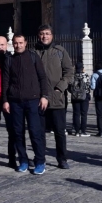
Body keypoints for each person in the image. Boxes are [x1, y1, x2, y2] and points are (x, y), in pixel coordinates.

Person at [2, 34, 50, 175]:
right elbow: (6, 81)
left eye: (20, 42)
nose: (18, 45)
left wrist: (44, 96)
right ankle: (23, 160)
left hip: (33, 100)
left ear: (26, 43)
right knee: (18, 133)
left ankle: (40, 161)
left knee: (36, 132)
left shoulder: (34, 57)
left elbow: (42, 77)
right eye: (16, 43)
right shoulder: (10, 60)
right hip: (15, 101)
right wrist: (5, 100)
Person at [34, 25, 72, 169]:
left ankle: (62, 158)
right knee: (39, 132)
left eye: (47, 34)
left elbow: (69, 72)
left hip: (57, 99)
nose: (45, 36)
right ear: (39, 35)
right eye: (42, 33)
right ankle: (41, 158)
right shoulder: (34, 52)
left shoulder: (60, 51)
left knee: (59, 132)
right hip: (39, 98)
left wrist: (59, 88)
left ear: (52, 35)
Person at [0, 36, 18, 168]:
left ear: (7, 45)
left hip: (8, 99)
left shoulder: (12, 59)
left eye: (2, 45)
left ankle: (12, 158)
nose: (0, 47)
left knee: (12, 129)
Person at [70, 62, 91, 137]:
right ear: (82, 68)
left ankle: (76, 131)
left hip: (75, 97)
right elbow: (89, 86)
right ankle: (83, 131)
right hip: (84, 97)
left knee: (76, 113)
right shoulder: (85, 75)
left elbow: (70, 87)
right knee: (83, 114)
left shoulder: (72, 76)